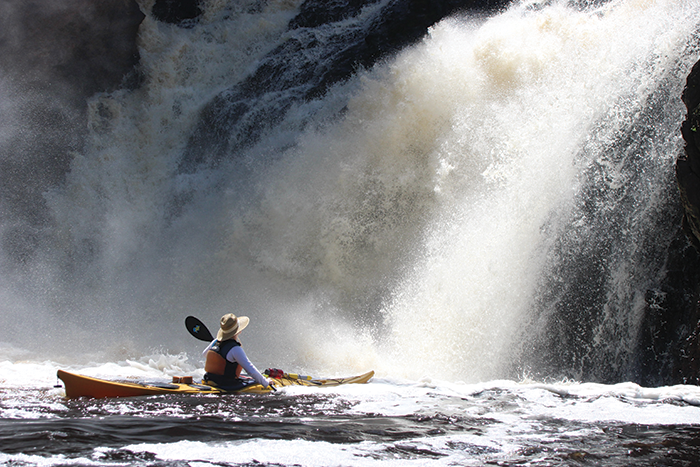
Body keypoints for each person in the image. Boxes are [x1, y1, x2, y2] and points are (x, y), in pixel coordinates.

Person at [203, 313, 273, 390]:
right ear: (239, 331)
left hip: (210, 379)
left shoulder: (216, 341)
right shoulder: (235, 349)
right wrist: (266, 382)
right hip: (226, 384)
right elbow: (250, 369)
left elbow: (205, 354)